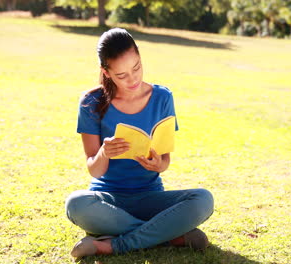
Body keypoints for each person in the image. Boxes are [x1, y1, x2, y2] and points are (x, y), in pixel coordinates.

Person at [65, 28, 214, 257]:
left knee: (204, 199)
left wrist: (158, 165)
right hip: (108, 201)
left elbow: (165, 161)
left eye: (136, 68)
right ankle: (169, 236)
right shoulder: (90, 102)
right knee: (75, 204)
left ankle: (112, 244)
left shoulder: (163, 97)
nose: (133, 79)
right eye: (122, 75)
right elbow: (94, 170)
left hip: (151, 196)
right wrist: (104, 153)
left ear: (140, 58)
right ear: (106, 72)